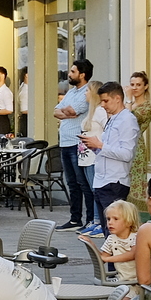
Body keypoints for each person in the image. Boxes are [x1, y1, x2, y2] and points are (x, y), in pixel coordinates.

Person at [80, 82, 140, 221]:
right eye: (101, 101)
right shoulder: (113, 118)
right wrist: (94, 147)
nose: (103, 105)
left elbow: (127, 154)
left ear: (117, 99)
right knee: (107, 228)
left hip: (115, 181)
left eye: (106, 101)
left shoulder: (127, 120)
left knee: (113, 229)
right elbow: (109, 149)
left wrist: (100, 145)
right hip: (103, 180)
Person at [54, 59, 96, 230]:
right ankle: (74, 219)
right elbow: (56, 111)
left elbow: (72, 111)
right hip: (64, 143)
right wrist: (67, 112)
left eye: (72, 71)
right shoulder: (71, 92)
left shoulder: (88, 92)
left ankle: (91, 219)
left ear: (82, 74)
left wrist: (68, 112)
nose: (69, 74)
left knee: (83, 183)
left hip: (78, 143)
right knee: (71, 183)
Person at [125, 71, 151, 209]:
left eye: (138, 84)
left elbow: (129, 120)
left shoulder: (148, 107)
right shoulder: (126, 103)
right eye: (132, 84)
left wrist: (128, 101)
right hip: (122, 145)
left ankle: (137, 215)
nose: (135, 88)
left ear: (145, 86)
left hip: (137, 147)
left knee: (136, 183)